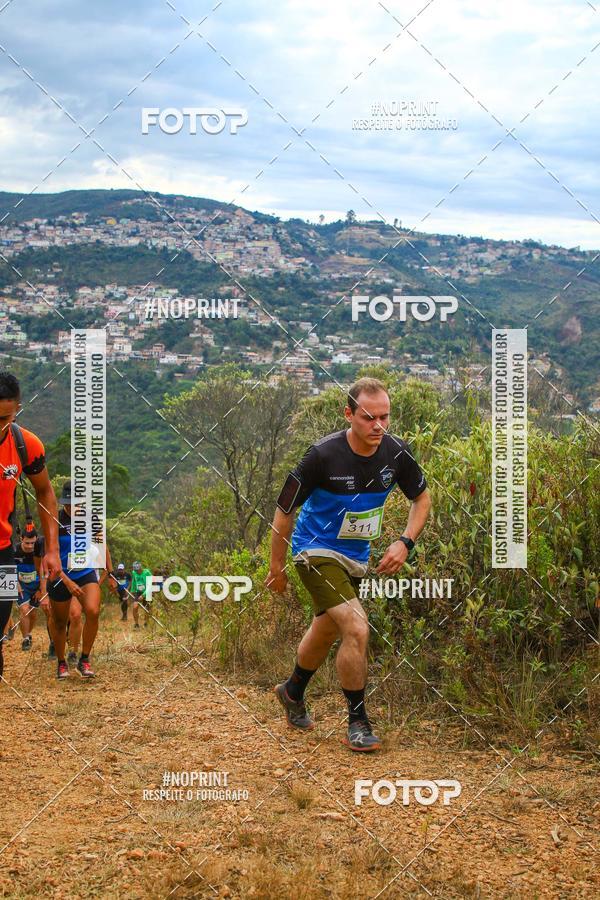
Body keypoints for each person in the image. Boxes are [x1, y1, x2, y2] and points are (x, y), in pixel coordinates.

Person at [267, 377, 431, 751]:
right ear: (349, 414)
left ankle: (292, 691)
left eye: (385, 417)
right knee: (356, 626)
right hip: (314, 550)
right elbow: (284, 510)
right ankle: (358, 721)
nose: (378, 426)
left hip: (355, 558)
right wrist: (276, 567)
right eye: (368, 417)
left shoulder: (396, 453)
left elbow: (422, 500)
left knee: (326, 629)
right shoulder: (321, 455)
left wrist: (405, 542)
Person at [0, 371, 60, 679]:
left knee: (0, 627)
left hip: (3, 554)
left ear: (18, 409)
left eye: (5, 417)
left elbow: (45, 491)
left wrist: (51, 549)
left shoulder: (26, 445)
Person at [48, 480, 103, 679]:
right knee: (61, 622)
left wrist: (107, 571)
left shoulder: (91, 519)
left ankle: (84, 659)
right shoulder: (54, 520)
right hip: (59, 575)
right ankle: (62, 663)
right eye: (69, 502)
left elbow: (101, 546)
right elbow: (49, 556)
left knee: (93, 611)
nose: (73, 506)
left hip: (84, 571)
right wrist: (66, 581)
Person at [14, 525, 46, 651]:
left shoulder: (40, 550)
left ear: (36, 539)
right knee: (24, 610)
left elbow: (44, 572)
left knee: (32, 614)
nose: (30, 546)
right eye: (27, 543)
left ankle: (29, 633)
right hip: (21, 586)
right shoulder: (14, 550)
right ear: (21, 538)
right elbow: (8, 568)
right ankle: (25, 638)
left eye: (33, 543)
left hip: (37, 586)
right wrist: (15, 583)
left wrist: (40, 590)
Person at [130, 561, 152, 628]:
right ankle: (136, 624)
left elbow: (150, 585)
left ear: (140, 568)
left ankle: (146, 623)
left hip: (147, 591)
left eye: (138, 570)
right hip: (138, 592)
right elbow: (134, 581)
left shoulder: (147, 572)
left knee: (147, 608)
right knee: (135, 607)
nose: (137, 572)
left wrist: (143, 595)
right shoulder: (134, 572)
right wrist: (132, 591)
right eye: (135, 570)